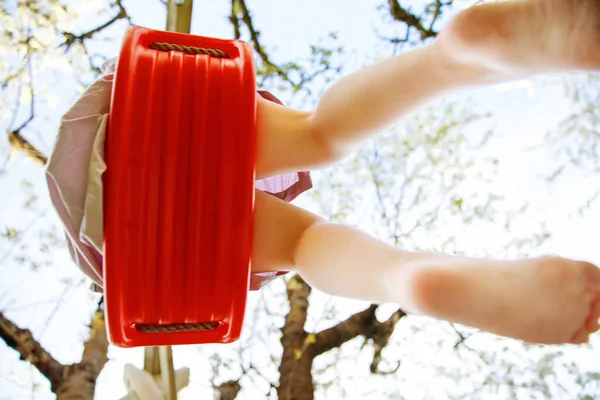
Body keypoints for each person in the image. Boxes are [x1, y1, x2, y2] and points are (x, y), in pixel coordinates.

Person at [47, 0, 600, 346]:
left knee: (304, 246)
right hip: (147, 106)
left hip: (148, 255)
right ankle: (446, 60)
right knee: (319, 133)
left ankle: (406, 281)